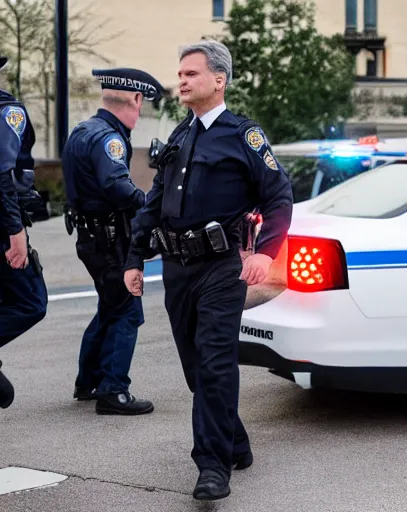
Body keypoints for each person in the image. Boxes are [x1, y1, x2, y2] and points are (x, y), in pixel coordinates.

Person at [124, 41, 293, 500]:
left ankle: (212, 466)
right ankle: (235, 441)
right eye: (179, 74)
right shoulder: (179, 136)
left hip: (222, 267)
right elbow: (154, 204)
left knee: (216, 364)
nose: (181, 80)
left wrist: (266, 252)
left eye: (191, 73)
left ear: (218, 80)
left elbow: (279, 196)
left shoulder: (244, 136)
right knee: (197, 370)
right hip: (178, 269)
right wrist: (135, 258)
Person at [61, 67, 164, 416]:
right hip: (109, 240)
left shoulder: (83, 130)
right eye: (142, 104)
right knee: (127, 311)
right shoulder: (110, 138)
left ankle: (88, 380)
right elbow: (116, 186)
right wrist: (150, 204)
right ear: (135, 99)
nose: (141, 112)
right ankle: (113, 390)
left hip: (91, 238)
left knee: (110, 305)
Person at [0, 55, 48, 409]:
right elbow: (2, 173)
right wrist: (16, 231)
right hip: (3, 227)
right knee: (32, 302)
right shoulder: (8, 111)